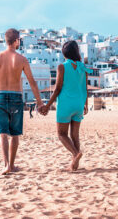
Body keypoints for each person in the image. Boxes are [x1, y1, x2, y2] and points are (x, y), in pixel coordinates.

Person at [0, 28, 44, 175]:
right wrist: (40, 102)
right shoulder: (21, 59)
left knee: (3, 133)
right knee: (15, 134)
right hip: (16, 97)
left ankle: (6, 165)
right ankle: (11, 164)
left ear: (6, 41)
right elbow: (32, 83)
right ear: (16, 41)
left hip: (0, 97)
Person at [40, 40, 91, 172]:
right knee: (75, 136)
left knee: (61, 134)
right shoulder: (82, 67)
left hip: (65, 104)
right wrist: (85, 104)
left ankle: (75, 154)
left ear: (64, 53)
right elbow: (85, 88)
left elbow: (57, 88)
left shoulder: (62, 67)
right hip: (79, 104)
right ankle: (74, 165)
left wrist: (47, 105)